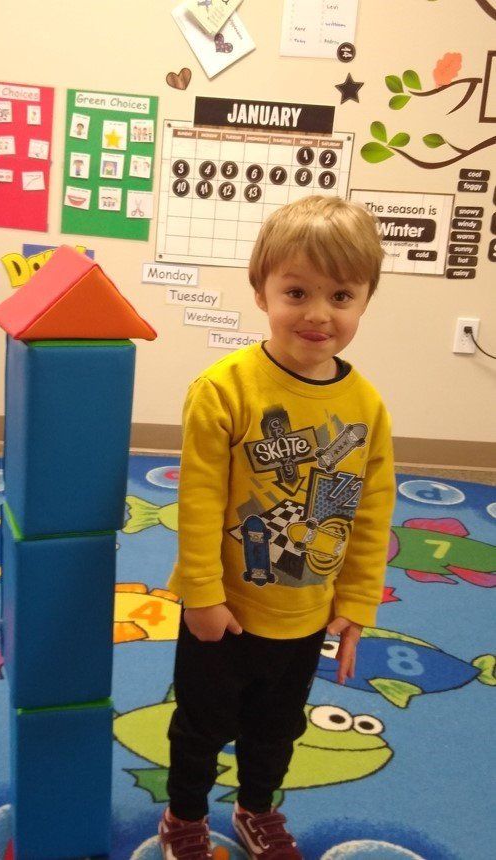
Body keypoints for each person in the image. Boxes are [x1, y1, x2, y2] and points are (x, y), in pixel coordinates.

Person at [159, 195, 396, 859]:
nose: (318, 314)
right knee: (200, 725)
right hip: (225, 608)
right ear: (261, 290)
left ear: (364, 300)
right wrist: (201, 594)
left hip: (304, 610)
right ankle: (182, 817)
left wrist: (354, 603)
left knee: (277, 727)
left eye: (341, 295)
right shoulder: (224, 388)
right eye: (296, 291)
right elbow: (200, 500)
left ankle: (256, 809)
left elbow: (370, 506)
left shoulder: (364, 405)